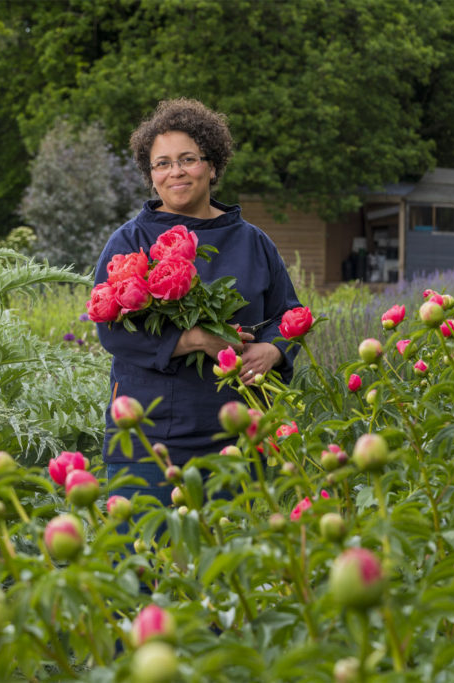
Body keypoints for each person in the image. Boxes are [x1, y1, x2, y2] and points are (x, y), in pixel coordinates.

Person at [94, 98, 303, 507]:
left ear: (212, 165)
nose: (175, 172)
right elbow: (111, 328)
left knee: (236, 560)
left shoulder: (254, 243)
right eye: (162, 163)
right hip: (148, 437)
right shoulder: (129, 243)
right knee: (145, 562)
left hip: (243, 432)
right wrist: (191, 339)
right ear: (150, 174)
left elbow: (289, 314)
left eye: (188, 159)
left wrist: (273, 350)